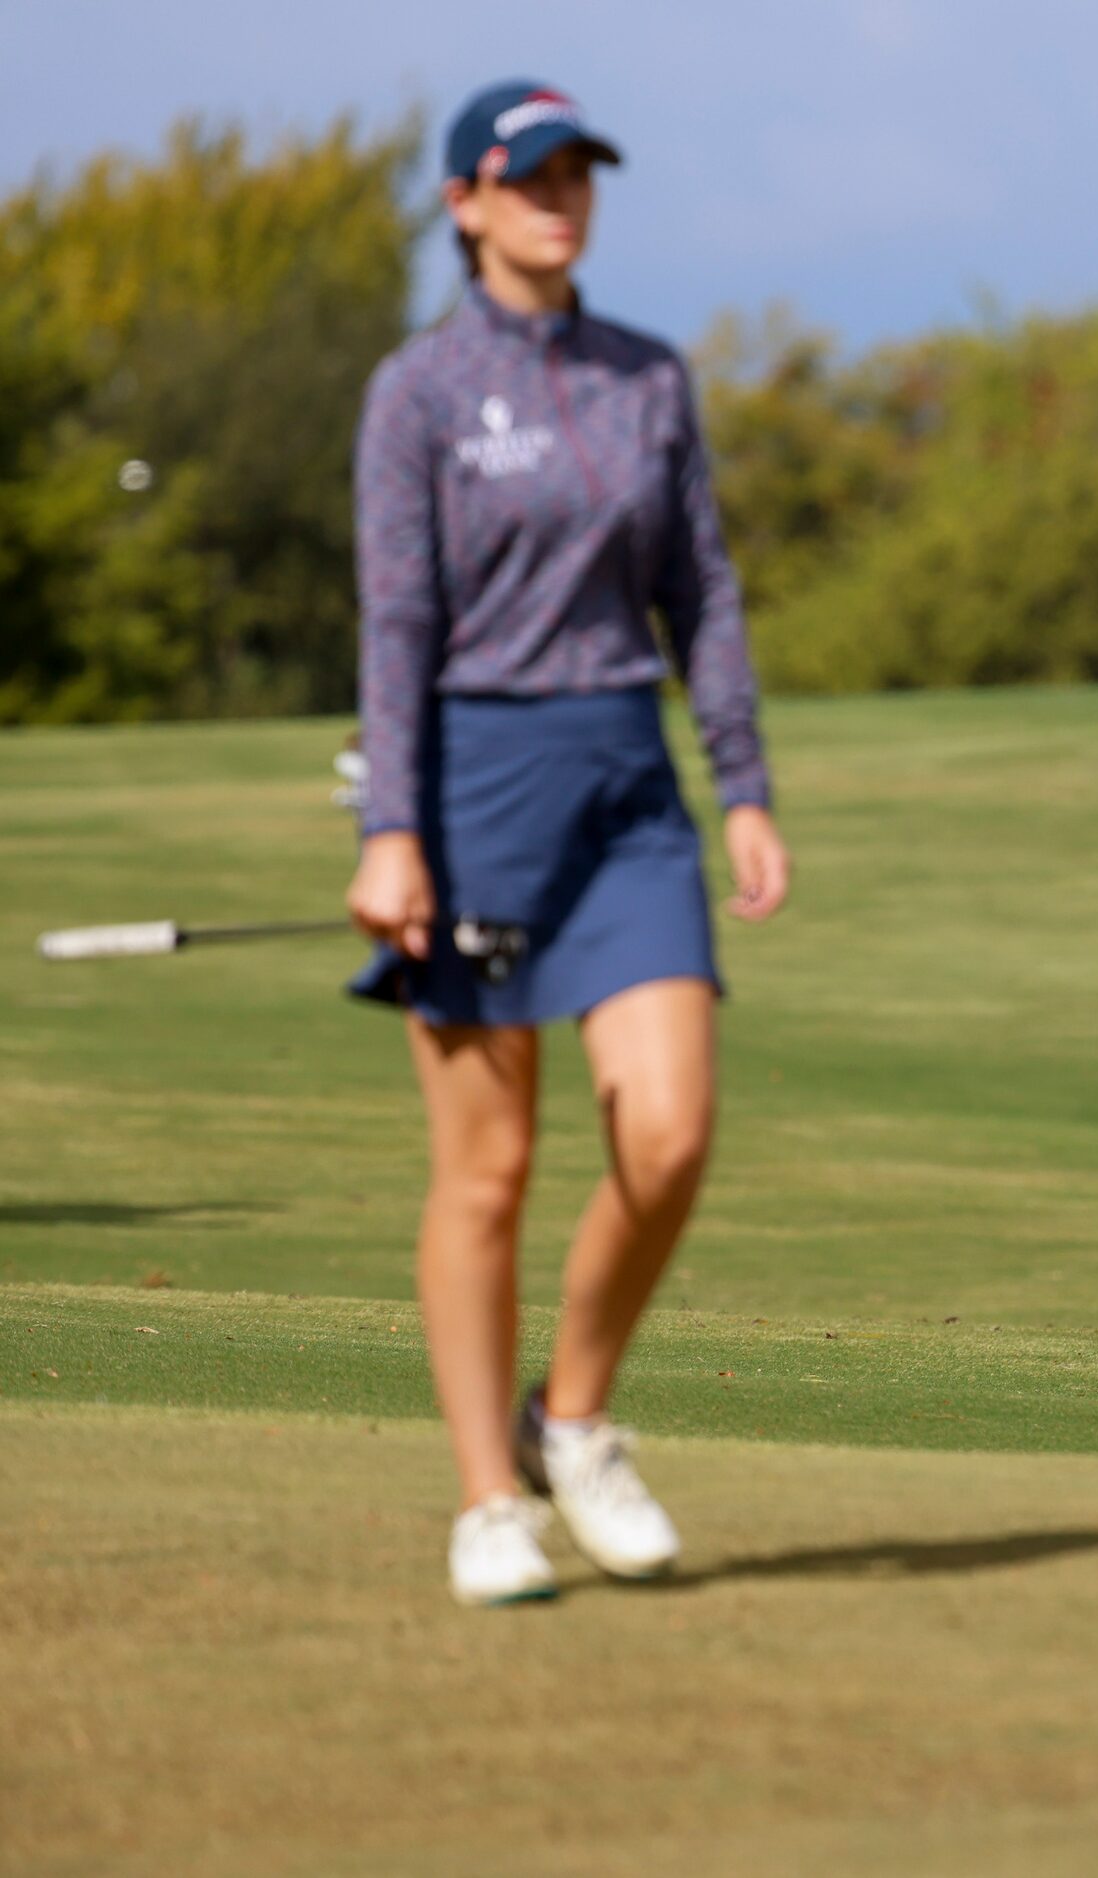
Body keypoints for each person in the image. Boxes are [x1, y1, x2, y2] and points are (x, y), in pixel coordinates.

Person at [345, 82, 791, 1604]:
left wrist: (741, 780)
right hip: (474, 788)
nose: (562, 198)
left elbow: (702, 592)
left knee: (666, 1134)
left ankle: (574, 1416)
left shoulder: (647, 378)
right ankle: (487, 1498)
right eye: (530, 177)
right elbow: (397, 624)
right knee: (491, 1168)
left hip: (626, 789)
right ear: (465, 202)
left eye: (579, 173)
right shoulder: (415, 392)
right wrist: (390, 828)